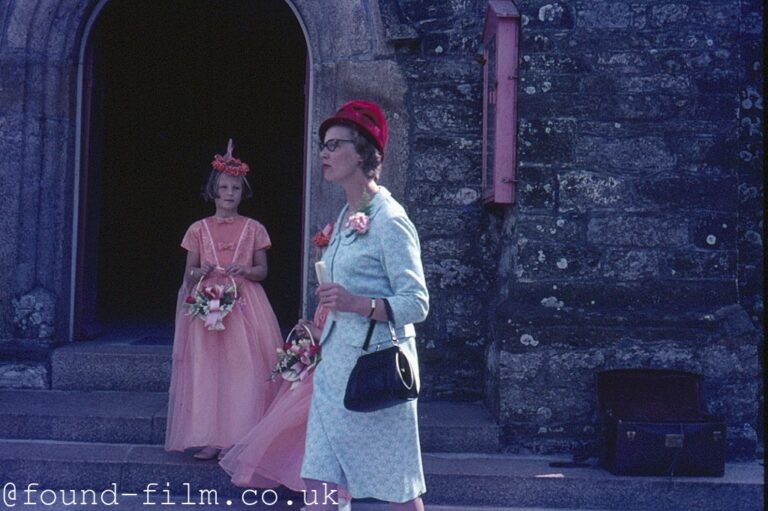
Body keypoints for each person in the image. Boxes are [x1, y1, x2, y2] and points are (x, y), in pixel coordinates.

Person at [301, 100, 429, 511]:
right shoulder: (343, 215)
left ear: (364, 154)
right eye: (323, 144)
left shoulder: (390, 219)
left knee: (399, 489)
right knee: (317, 481)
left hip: (374, 375)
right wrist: (322, 326)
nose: (324, 152)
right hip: (333, 373)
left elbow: (416, 303)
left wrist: (357, 304)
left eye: (335, 144)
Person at [165, 139, 284, 460]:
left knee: (242, 368)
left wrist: (245, 268)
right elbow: (189, 273)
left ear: (242, 192)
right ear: (213, 191)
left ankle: (239, 436)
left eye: (235, 188)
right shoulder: (198, 230)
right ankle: (210, 437)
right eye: (224, 188)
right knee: (209, 368)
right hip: (210, 302)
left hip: (244, 304)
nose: (230, 194)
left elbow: (262, 271)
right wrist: (200, 271)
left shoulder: (255, 228)